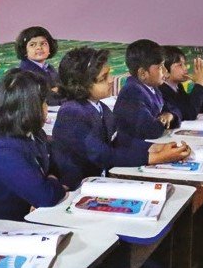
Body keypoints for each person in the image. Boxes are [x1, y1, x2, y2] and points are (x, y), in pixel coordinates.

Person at [53, 47, 190, 189]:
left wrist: (155, 147)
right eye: (103, 78)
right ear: (80, 86)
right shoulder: (71, 113)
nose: (111, 80)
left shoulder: (100, 107)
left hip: (96, 182)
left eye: (109, 74)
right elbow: (102, 155)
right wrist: (156, 157)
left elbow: (118, 140)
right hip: (75, 188)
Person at [0, 69, 66, 221]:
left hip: (39, 216)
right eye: (43, 102)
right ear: (27, 108)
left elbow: (57, 166)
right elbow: (45, 196)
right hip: (13, 226)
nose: (46, 107)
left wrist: (51, 181)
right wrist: (54, 183)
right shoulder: (4, 150)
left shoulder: (36, 134)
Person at [112, 39, 181, 144]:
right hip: (131, 148)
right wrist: (162, 121)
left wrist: (170, 115)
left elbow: (174, 109)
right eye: (160, 67)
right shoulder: (132, 92)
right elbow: (150, 130)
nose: (166, 71)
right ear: (143, 73)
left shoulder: (153, 89)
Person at [159, 46, 203, 121]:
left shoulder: (178, 86)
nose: (185, 68)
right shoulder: (161, 91)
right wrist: (199, 83)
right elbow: (189, 114)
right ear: (165, 71)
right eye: (180, 65)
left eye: (184, 64)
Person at [15, 26, 64, 105]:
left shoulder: (49, 68)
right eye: (32, 45)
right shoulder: (25, 73)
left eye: (43, 44)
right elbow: (42, 98)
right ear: (24, 50)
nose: (39, 47)